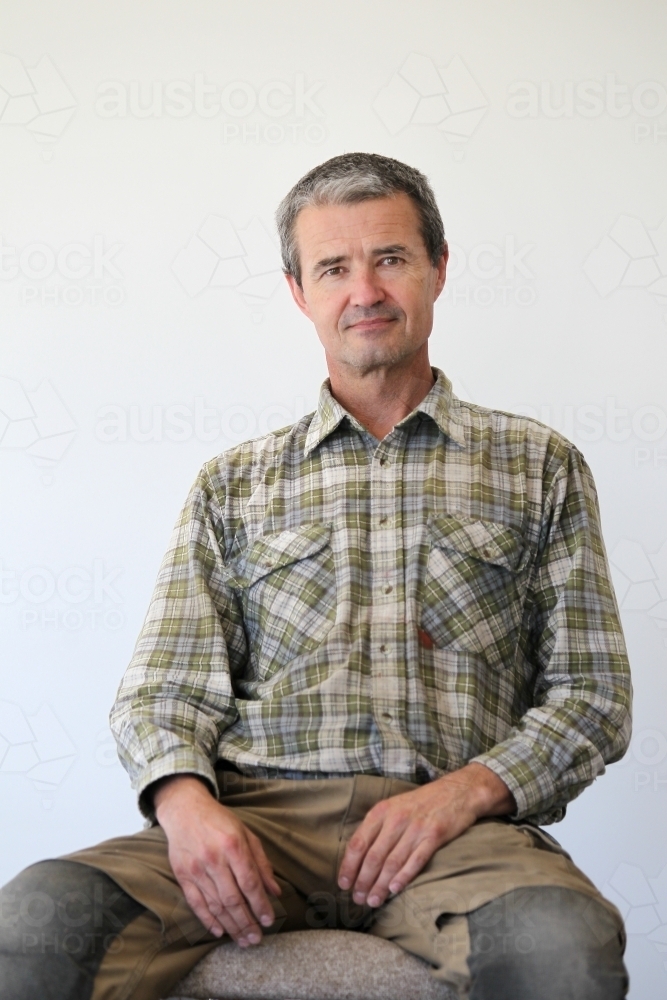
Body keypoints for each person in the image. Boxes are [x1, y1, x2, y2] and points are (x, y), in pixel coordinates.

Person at [0, 152, 632, 999]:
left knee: (561, 947)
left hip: (451, 832)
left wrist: (461, 795)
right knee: (39, 919)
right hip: (259, 817)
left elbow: (591, 695)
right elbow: (160, 692)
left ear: (438, 269)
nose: (363, 290)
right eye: (333, 267)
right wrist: (188, 811)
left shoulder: (538, 466)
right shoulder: (234, 484)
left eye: (391, 258)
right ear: (299, 291)